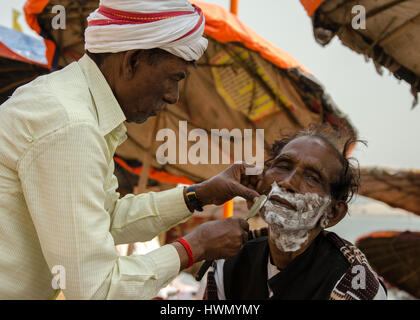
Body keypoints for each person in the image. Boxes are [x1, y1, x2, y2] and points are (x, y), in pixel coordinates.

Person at [0, 0, 261, 299]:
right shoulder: (72, 126)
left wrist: (199, 195)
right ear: (132, 61)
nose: (172, 96)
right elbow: (96, 289)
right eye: (173, 78)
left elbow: (106, 216)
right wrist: (193, 247)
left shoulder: (74, 104)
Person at [204, 126, 388, 300]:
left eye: (312, 178)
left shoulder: (355, 286)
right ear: (260, 184)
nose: (287, 183)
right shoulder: (229, 261)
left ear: (332, 213)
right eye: (283, 166)